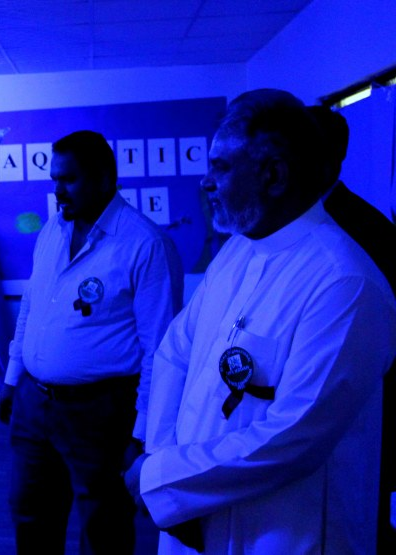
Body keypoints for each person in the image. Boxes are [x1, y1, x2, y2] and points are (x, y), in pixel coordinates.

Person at [124, 89, 396, 554]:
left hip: (284, 529)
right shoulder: (237, 250)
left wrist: (164, 477)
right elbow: (175, 352)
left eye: (221, 167)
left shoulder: (344, 281)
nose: (206, 182)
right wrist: (161, 458)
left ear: (272, 175)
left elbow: (295, 435)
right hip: (190, 510)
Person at [0, 130, 183, 554]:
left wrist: (142, 433)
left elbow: (159, 350)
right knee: (30, 515)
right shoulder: (52, 230)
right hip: (33, 403)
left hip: (101, 412)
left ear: (104, 179)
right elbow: (31, 308)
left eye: (70, 179)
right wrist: (12, 379)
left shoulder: (145, 245)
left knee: (104, 527)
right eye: (55, 179)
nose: (58, 191)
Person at [309, 104, 396, 554]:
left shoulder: (362, 229)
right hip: (329, 411)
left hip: (361, 406)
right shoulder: (311, 221)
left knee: (359, 519)